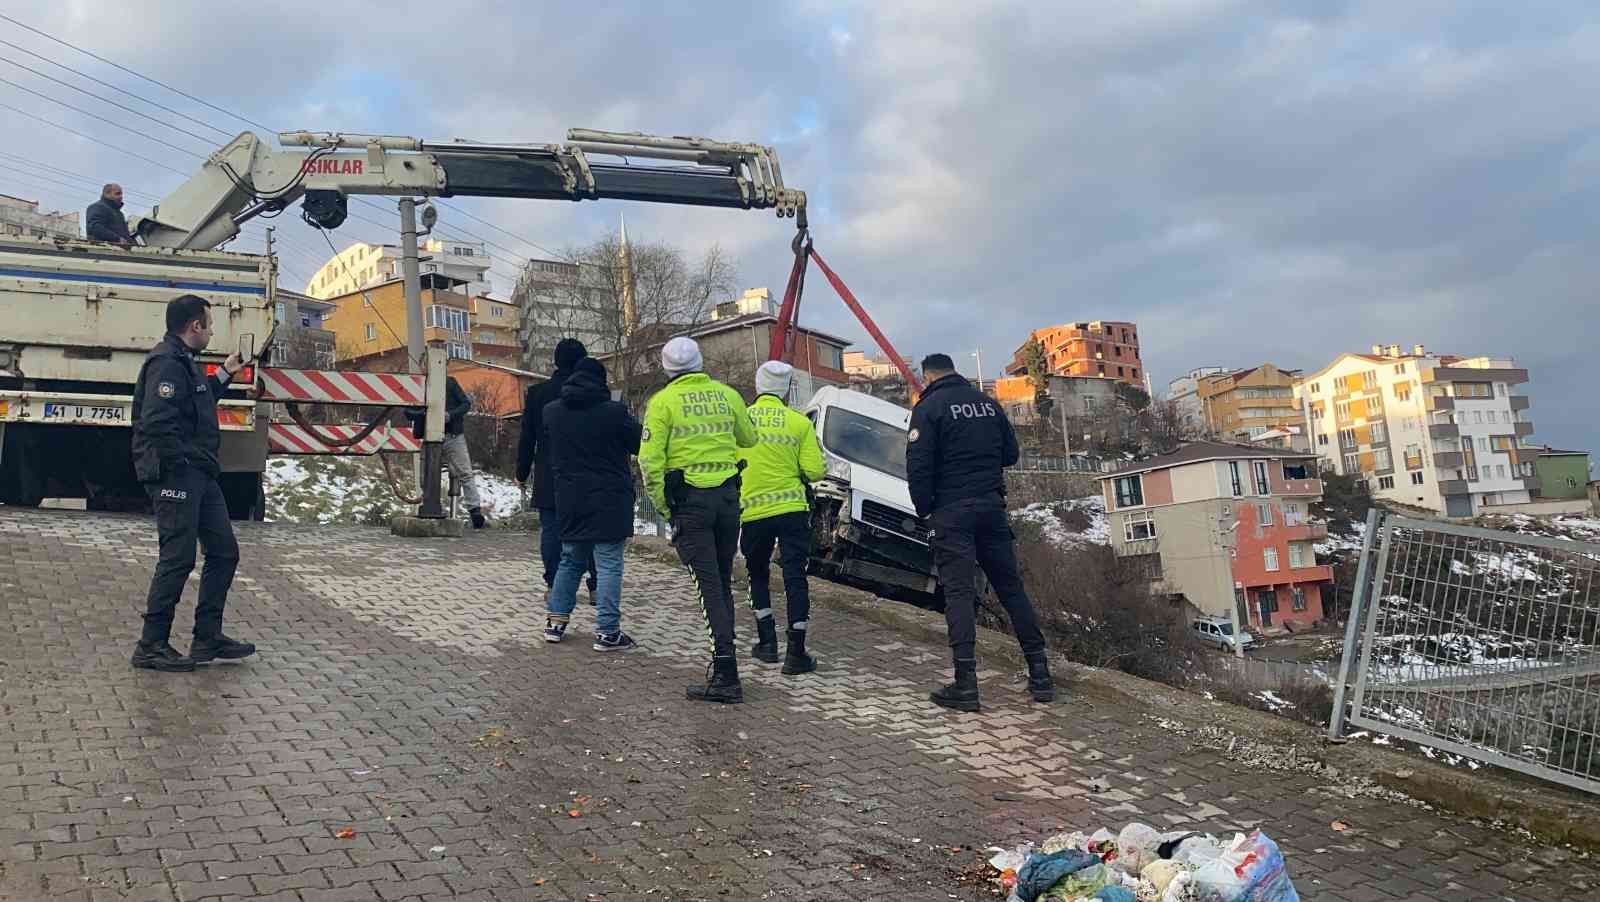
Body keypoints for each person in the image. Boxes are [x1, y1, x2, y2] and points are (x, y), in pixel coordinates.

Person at [906, 353, 1054, 711]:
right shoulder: (988, 405)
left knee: (958, 594)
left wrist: (926, 511)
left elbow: (918, 468)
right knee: (1011, 590)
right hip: (990, 509)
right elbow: (1011, 454)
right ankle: (1041, 675)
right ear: (955, 371)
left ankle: (966, 685)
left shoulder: (929, 409)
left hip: (951, 513)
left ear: (928, 377)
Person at [128, 294, 255, 672]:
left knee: (223, 551)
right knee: (178, 557)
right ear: (194, 326)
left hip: (199, 473)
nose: (212, 330)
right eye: (209, 324)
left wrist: (227, 371)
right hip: (178, 473)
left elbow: (199, 401)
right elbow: (156, 422)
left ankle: (207, 637)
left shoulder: (186, 362)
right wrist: (180, 462)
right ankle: (151, 646)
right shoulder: (167, 363)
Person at [639, 336, 756, 703]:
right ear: (700, 361)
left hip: (691, 504)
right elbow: (748, 438)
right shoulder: (727, 395)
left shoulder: (662, 404)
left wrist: (665, 509)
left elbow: (649, 463)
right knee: (721, 582)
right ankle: (727, 666)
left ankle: (726, 675)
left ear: (666, 368)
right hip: (727, 499)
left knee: (709, 590)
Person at [540, 358, 642, 650]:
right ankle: (608, 632)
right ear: (601, 382)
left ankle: (555, 623)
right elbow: (639, 444)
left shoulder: (552, 413)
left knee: (570, 559)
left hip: (570, 498)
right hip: (610, 498)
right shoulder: (614, 413)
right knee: (608, 563)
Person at [737, 361, 825, 674]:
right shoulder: (799, 423)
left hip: (753, 512)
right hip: (792, 512)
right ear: (786, 390)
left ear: (759, 386)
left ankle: (767, 644)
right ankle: (796, 653)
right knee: (794, 578)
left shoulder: (741, 419)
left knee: (756, 573)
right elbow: (816, 471)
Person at [517, 339, 597, 598]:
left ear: (556, 361)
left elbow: (527, 436)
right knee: (591, 528)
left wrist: (521, 470)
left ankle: (553, 584)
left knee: (551, 529)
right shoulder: (593, 392)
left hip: (548, 471)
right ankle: (596, 585)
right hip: (587, 471)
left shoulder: (538, 393)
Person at [441, 374, 486, 528]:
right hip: (437, 436)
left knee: (465, 473)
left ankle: (475, 512)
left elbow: (466, 404)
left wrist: (450, 415)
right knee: (427, 475)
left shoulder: (450, 382)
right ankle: (474, 511)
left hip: (452, 435)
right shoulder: (422, 383)